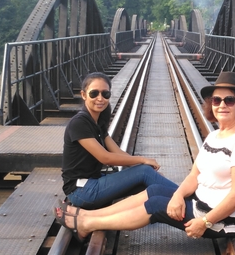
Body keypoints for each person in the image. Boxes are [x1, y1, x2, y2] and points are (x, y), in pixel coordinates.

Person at [56, 71, 235, 240]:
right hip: (203, 206)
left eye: (229, 100)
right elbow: (193, 176)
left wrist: (204, 222)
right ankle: (88, 216)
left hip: (220, 222)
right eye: (216, 100)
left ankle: (87, 222)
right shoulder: (215, 136)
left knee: (156, 204)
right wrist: (177, 195)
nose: (221, 105)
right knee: (155, 189)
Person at [61, 72, 175, 209]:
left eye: (105, 94)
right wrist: (142, 161)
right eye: (94, 93)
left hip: (92, 183)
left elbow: (118, 152)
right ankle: (187, 196)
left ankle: (180, 202)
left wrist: (152, 173)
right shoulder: (78, 123)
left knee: (146, 177)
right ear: (84, 95)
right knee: (143, 172)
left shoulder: (97, 123)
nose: (100, 98)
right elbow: (106, 158)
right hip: (81, 191)